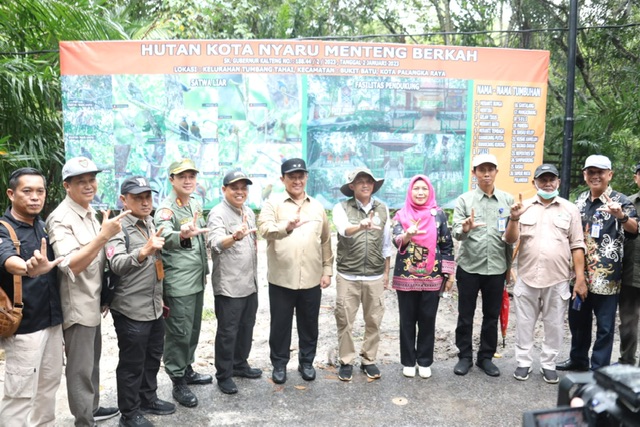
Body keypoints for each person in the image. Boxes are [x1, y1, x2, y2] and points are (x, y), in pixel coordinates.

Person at [46, 156, 128, 426]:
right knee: (80, 369)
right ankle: (84, 420)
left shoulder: (90, 211)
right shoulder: (60, 219)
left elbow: (100, 261)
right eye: (81, 181)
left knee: (92, 362)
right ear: (67, 186)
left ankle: (90, 408)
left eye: (92, 179)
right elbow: (72, 265)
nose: (89, 185)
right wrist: (103, 236)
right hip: (77, 305)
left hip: (93, 302)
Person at [504, 164, 586, 384]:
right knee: (523, 323)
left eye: (552, 179)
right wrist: (513, 218)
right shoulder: (524, 207)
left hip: (558, 279)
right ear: (535, 183)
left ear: (558, 181)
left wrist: (580, 278)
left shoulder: (570, 209)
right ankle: (523, 363)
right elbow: (510, 240)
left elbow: (577, 245)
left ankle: (548, 364)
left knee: (555, 324)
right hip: (527, 277)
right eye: (543, 179)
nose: (547, 183)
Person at [558, 155, 639, 371]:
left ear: (609, 175)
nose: (595, 176)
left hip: (608, 278)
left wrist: (621, 216)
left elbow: (635, 229)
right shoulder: (578, 202)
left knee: (605, 327)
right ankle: (578, 359)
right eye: (590, 172)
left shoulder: (621, 201)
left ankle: (599, 368)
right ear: (585, 175)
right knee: (577, 322)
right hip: (579, 276)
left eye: (600, 172)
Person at [106, 176, 175, 427]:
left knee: (153, 357)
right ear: (124, 200)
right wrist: (143, 251)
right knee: (131, 364)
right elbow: (116, 263)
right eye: (138, 197)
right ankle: (129, 413)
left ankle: (148, 398)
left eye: (148, 196)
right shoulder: (118, 227)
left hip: (154, 306)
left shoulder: (149, 221)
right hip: (131, 309)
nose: (146, 202)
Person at [257, 158, 333, 384]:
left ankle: (306, 362)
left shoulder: (317, 206)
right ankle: (279, 364)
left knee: (309, 323)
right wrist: (286, 227)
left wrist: (327, 270)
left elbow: (326, 241)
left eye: (301, 176)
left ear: (306, 177)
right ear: (283, 179)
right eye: (292, 177)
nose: (297, 181)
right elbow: (264, 229)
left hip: (311, 278)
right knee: (280, 325)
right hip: (282, 278)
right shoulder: (273, 203)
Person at [0, 168, 64, 426]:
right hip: (25, 329)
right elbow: (7, 260)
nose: (35, 197)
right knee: (19, 395)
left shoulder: (41, 226)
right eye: (27, 191)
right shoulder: (4, 229)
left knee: (48, 388)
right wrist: (27, 267)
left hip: (51, 322)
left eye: (40, 191)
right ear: (11, 194)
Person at [154, 159, 211, 408]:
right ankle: (177, 381)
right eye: (182, 177)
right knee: (178, 332)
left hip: (196, 278)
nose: (188, 181)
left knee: (193, 328)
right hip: (178, 282)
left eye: (191, 176)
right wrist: (182, 234)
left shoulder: (195, 203)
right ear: (172, 180)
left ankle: (187, 368)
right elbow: (163, 233)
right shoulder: (167, 209)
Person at [452, 153, 514, 377]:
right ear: (474, 173)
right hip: (469, 267)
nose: (486, 173)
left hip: (496, 268)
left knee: (491, 315)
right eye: (481, 169)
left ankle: (485, 357)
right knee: (465, 315)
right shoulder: (465, 200)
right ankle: (465, 357)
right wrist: (465, 228)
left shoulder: (507, 201)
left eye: (490, 169)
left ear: (496, 172)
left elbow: (511, 238)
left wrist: (509, 269)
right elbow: (456, 233)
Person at [392, 175, 455, 379]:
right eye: (416, 189)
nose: (420, 192)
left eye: (424, 189)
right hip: (406, 276)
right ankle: (409, 361)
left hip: (432, 276)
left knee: (428, 319)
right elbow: (396, 240)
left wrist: (449, 273)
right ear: (410, 191)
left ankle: (425, 361)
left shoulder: (439, 215)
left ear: (430, 192)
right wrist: (408, 236)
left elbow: (447, 244)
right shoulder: (401, 215)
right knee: (407, 320)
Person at [332, 167, 391, 381]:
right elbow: (343, 230)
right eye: (360, 181)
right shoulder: (341, 208)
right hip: (348, 275)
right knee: (345, 320)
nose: (365, 184)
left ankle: (369, 360)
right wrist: (361, 226)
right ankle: (346, 360)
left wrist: (386, 274)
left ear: (373, 185)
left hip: (374, 275)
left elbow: (386, 245)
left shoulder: (383, 209)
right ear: (352, 186)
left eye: (369, 181)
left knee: (374, 320)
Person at [206, 170, 261, 395]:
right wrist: (235, 237)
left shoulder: (247, 211)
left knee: (246, 327)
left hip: (250, 282)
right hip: (229, 286)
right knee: (228, 332)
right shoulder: (218, 213)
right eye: (234, 187)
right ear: (224, 190)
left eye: (243, 187)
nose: (240, 191)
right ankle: (224, 375)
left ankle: (240, 364)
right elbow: (215, 243)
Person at [618, 162, 640, 366]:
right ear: (636, 178)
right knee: (628, 322)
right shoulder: (628, 203)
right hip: (631, 272)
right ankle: (626, 362)